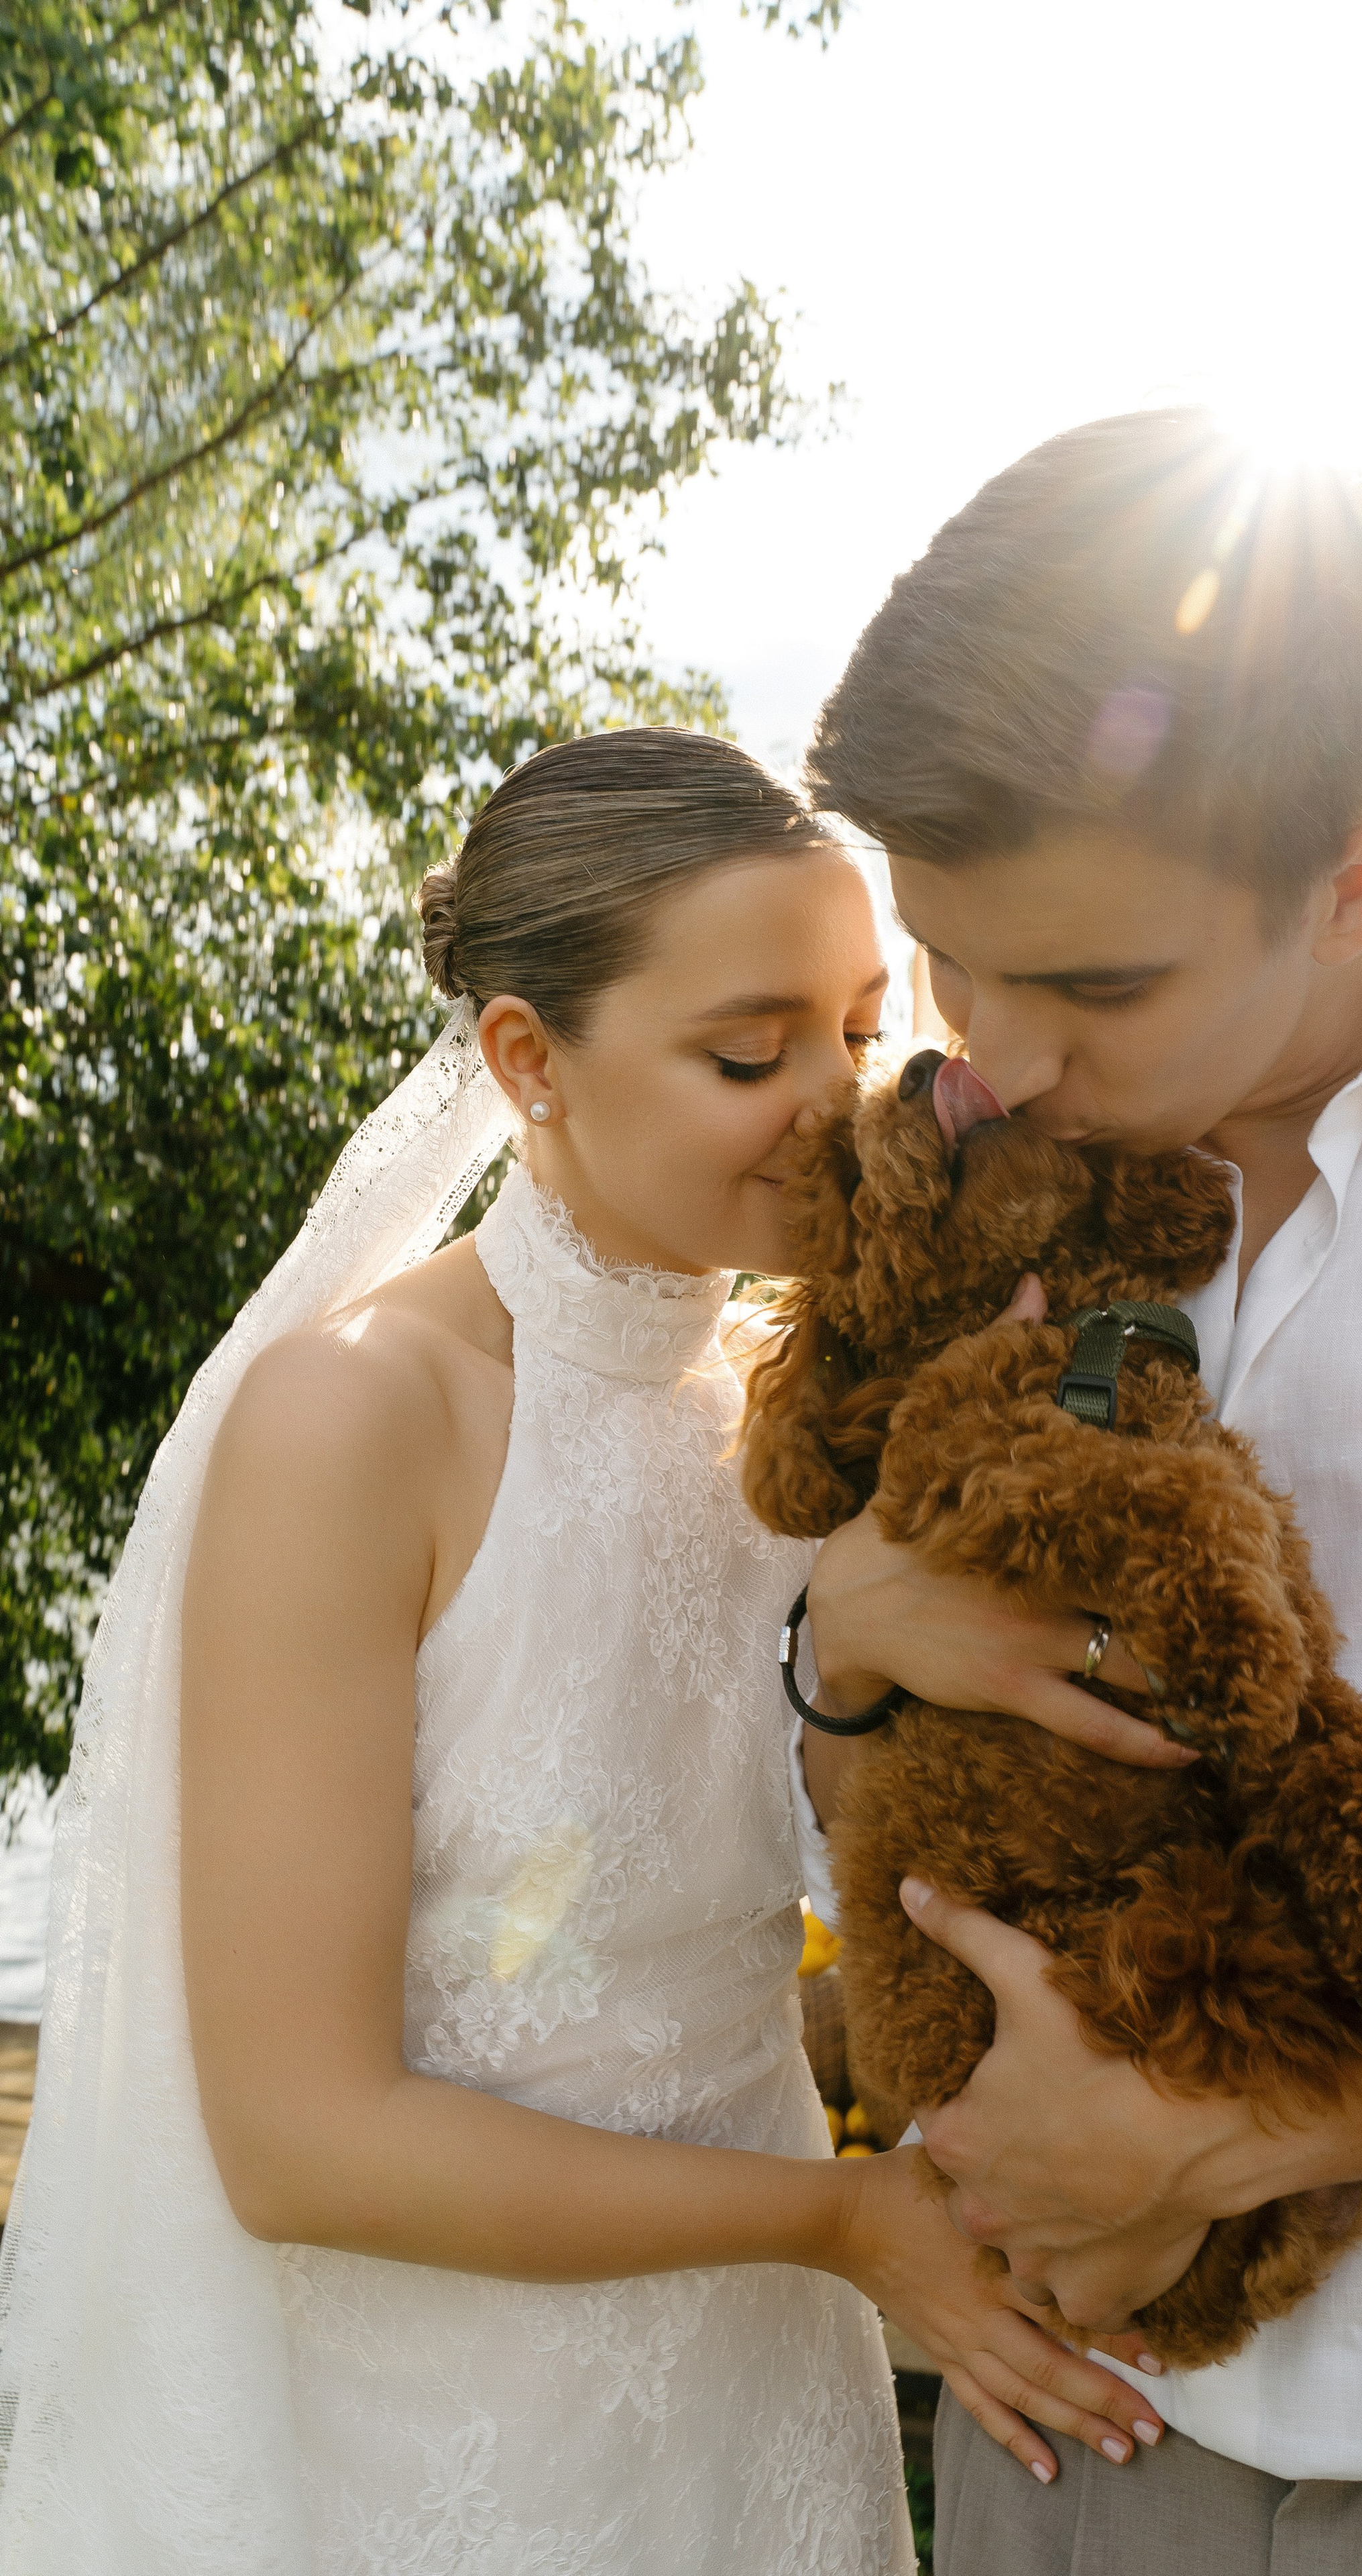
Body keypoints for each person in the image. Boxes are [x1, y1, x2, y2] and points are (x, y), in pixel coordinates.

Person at [0, 729, 1158, 2576]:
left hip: (761, 2414)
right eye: (749, 1054)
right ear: (528, 1059)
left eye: (862, 1033)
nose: (836, 1106)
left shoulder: (794, 1415)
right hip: (448, 2447)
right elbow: (300, 2140)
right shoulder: (358, 1418)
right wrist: (841, 2224)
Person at [789, 413, 1362, 2573]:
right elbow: (851, 1822)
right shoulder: (951, 1191)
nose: (999, 1054)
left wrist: (1203, 2131)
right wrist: (838, 1650)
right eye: (948, 954)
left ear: (1360, 880)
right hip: (1063, 2471)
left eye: (1100, 983)